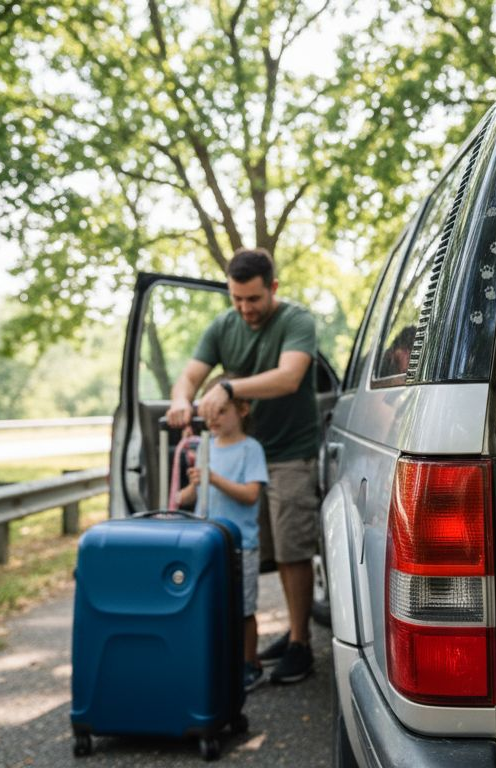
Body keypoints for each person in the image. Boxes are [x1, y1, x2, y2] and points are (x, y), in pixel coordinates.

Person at [166, 247, 321, 685]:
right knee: (259, 549)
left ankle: (300, 644)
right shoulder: (224, 325)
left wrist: (230, 386)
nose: (244, 309)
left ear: (272, 288)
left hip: (290, 452)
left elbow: (289, 377)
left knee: (292, 551)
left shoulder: (296, 321)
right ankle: (284, 633)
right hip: (244, 453)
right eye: (236, 299)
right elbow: (191, 376)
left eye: (253, 299)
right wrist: (182, 399)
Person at [179, 394, 270, 691]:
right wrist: (193, 485)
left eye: (221, 410)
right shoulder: (205, 448)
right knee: (210, 604)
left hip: (239, 544)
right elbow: (186, 498)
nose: (214, 418)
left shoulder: (250, 449)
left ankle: (249, 663)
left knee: (243, 609)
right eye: (209, 413)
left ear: (242, 410)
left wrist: (213, 478)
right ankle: (217, 660)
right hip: (206, 544)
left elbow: (251, 494)